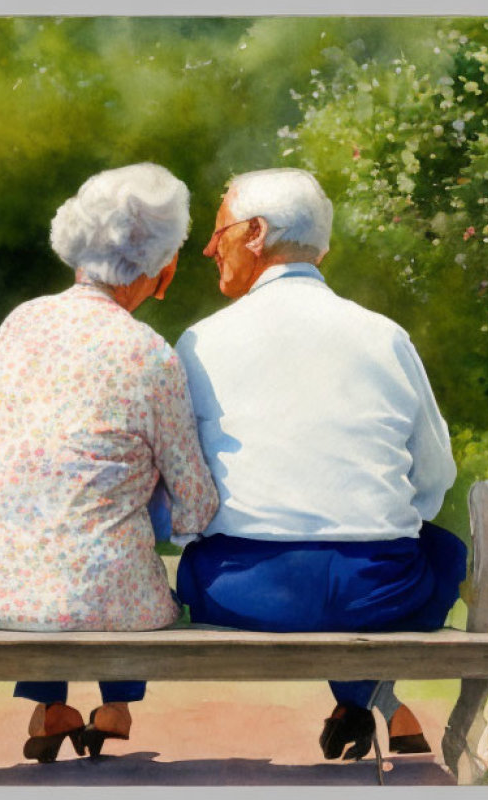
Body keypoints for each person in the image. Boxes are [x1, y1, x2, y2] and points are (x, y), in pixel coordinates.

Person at [173, 167, 466, 761]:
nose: (209, 248)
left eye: (219, 231)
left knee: (199, 560)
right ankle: (366, 699)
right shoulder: (385, 337)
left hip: (245, 590)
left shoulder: (200, 342)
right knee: (444, 551)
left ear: (255, 234)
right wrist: (365, 522)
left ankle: (365, 700)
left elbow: (187, 488)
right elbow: (433, 476)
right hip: (378, 589)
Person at [0, 163, 219, 763]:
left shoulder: (20, 323)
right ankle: (114, 705)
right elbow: (196, 504)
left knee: (70, 505)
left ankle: (51, 707)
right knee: (118, 541)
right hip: (106, 600)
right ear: (164, 271)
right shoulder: (152, 355)